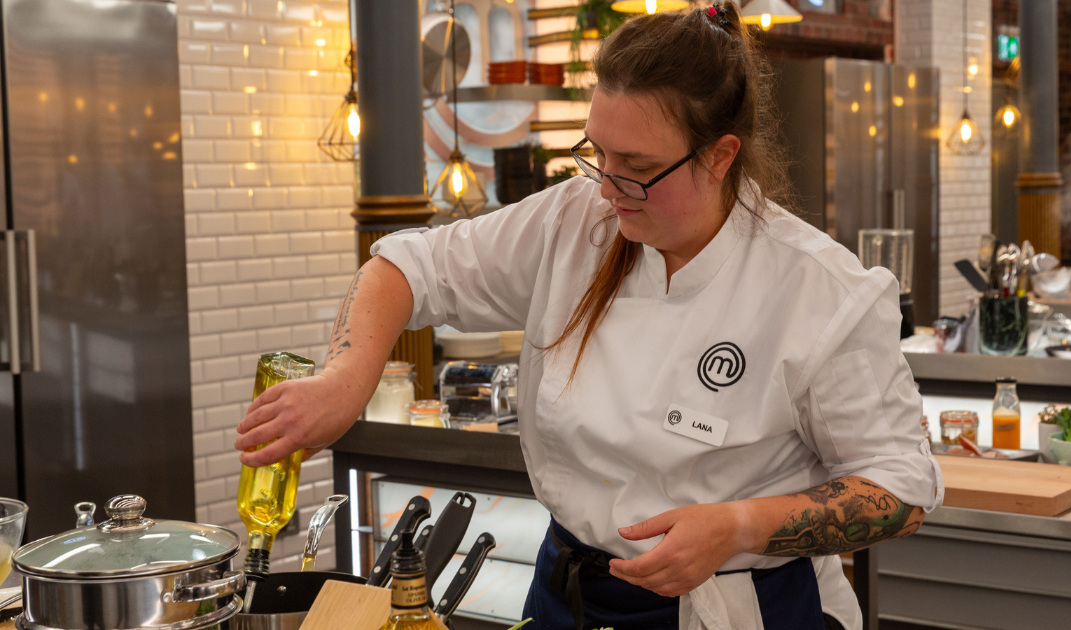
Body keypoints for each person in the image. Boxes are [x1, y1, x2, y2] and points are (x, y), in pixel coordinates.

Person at [234, 3, 943, 628]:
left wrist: (737, 525)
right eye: (597, 153)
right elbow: (404, 265)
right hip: (568, 593)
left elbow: (902, 492)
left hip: (731, 608)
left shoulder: (817, 289)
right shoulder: (576, 220)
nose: (608, 188)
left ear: (721, 156)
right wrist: (345, 377)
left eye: (635, 165)